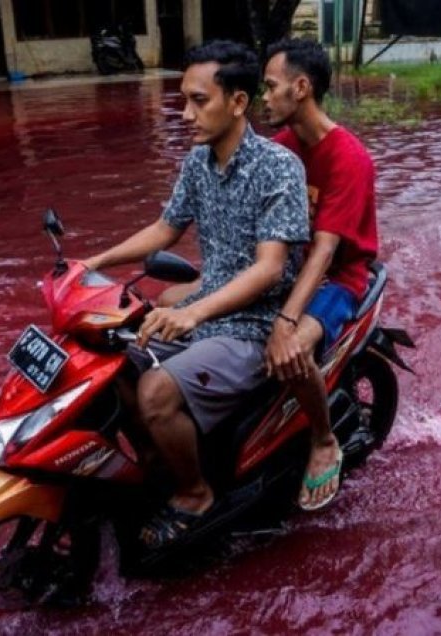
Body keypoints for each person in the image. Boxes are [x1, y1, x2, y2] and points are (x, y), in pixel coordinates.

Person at [83, 40, 310, 547]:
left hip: (255, 323)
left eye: (198, 100)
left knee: (156, 392)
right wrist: (94, 262)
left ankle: (194, 494)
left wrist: (194, 311)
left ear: (238, 102)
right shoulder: (197, 162)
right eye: (183, 100)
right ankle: (160, 465)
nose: (185, 114)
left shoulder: (278, 168)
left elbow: (270, 269)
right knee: (113, 366)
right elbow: (165, 229)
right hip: (204, 307)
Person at [261, 38, 378, 510]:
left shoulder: (349, 158)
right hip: (291, 267)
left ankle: (323, 437)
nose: (264, 98)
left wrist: (287, 321)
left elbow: (327, 251)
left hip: (339, 279)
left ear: (301, 88)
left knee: (291, 351)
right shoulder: (283, 147)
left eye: (270, 87)